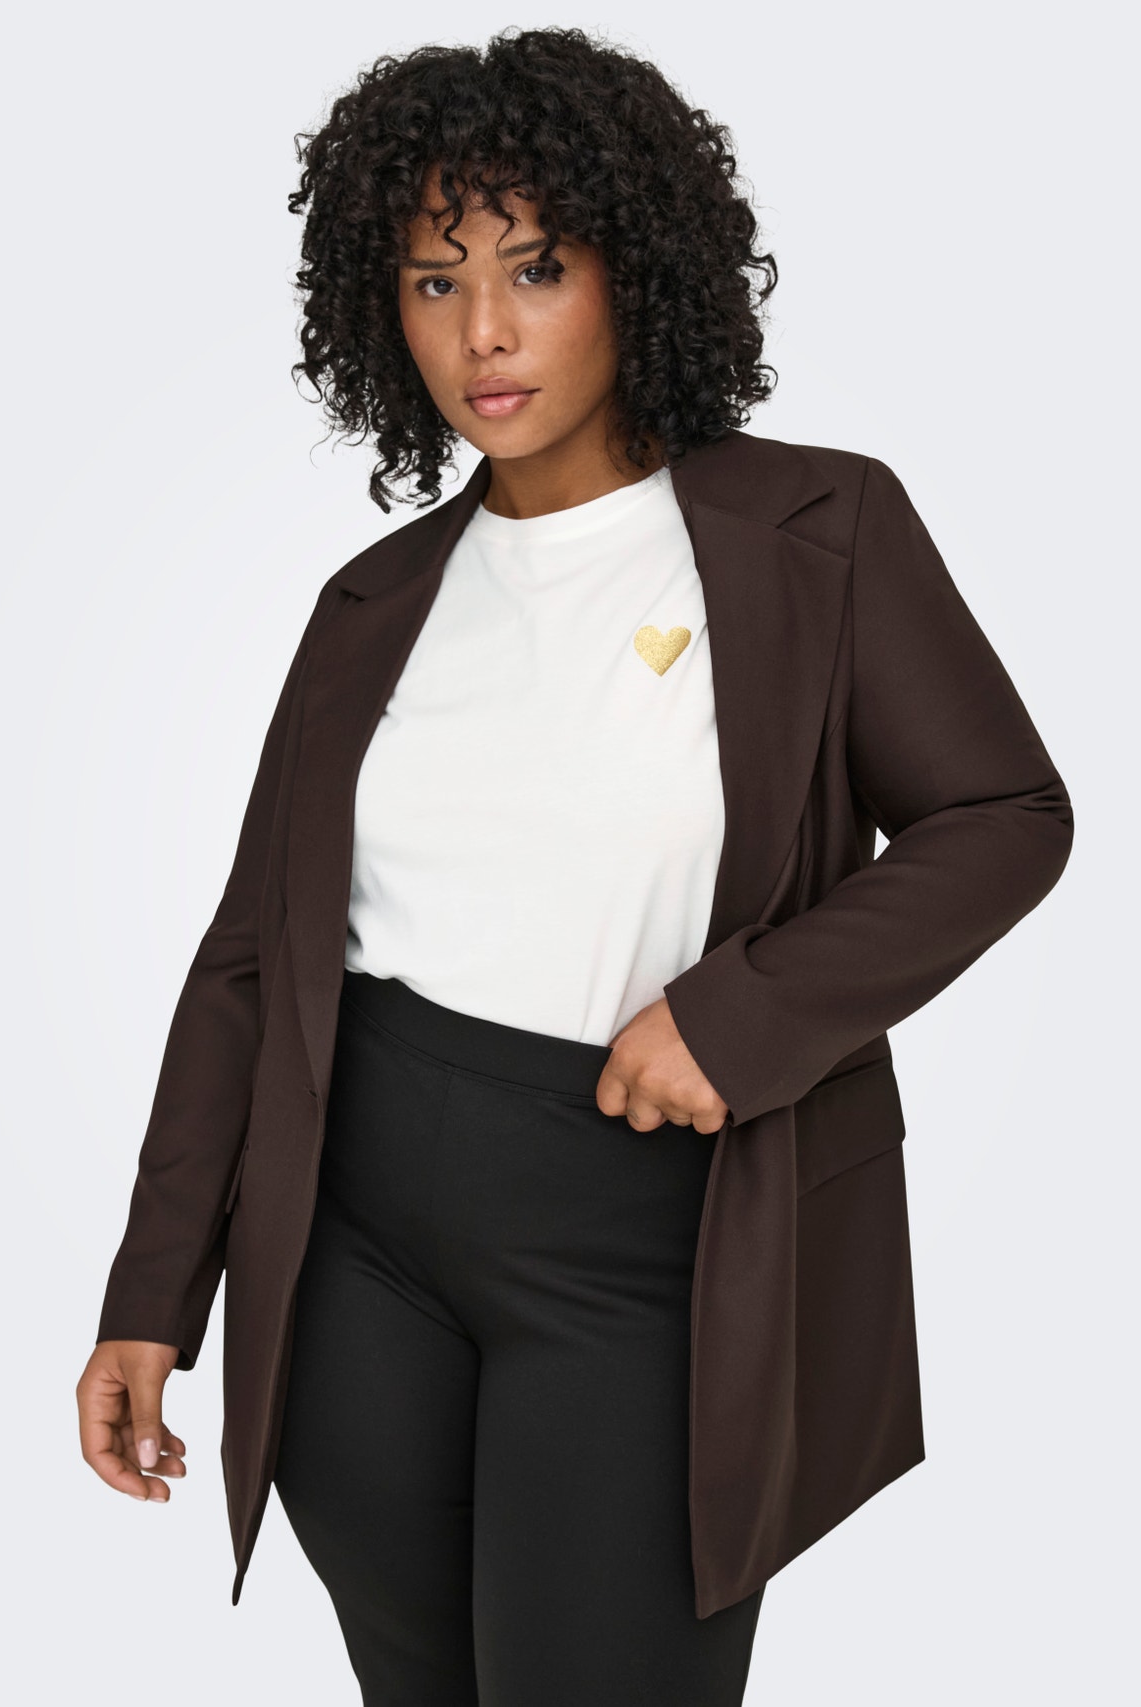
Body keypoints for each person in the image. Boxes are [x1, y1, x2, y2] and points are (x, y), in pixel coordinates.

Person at [77, 27, 1074, 1706]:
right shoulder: (371, 607)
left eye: (536, 267)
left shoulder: (819, 533)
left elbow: (1003, 815)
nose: (484, 330)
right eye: (433, 281)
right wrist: (152, 1293)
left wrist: (743, 1018)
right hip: (355, 1235)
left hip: (646, 1231)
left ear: (639, 267)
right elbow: (254, 961)